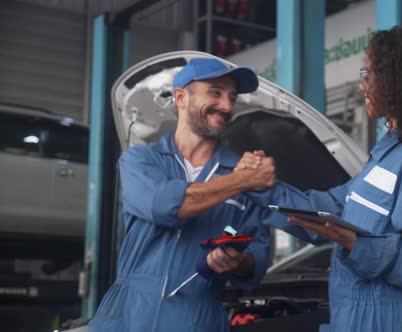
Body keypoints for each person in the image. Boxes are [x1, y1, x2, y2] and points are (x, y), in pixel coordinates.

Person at [238, 26, 402, 331]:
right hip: (355, 315)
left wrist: (355, 243)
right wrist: (263, 189)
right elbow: (334, 206)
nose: (362, 86)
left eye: (369, 74)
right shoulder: (386, 154)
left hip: (385, 318)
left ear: (397, 80)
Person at [89, 57, 277, 332]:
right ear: (180, 97)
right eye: (215, 92)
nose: (227, 106)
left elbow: (257, 257)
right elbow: (164, 207)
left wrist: (237, 261)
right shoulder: (141, 160)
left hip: (197, 318)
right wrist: (241, 180)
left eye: (232, 97)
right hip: (127, 315)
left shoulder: (243, 174)